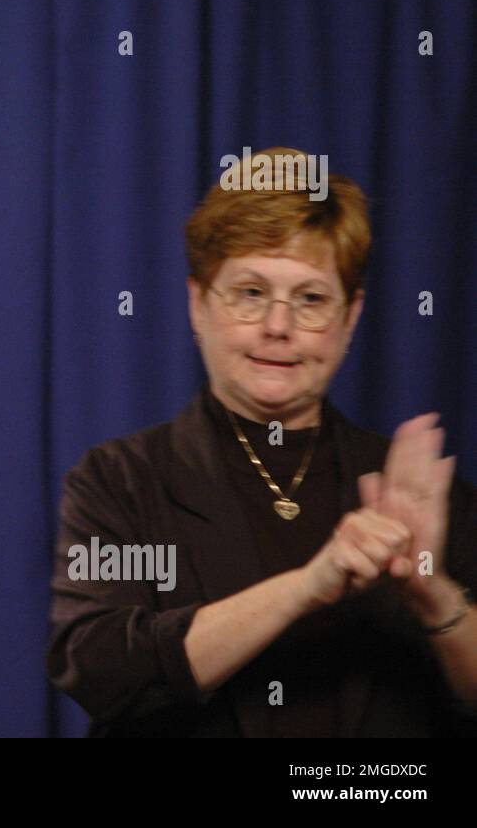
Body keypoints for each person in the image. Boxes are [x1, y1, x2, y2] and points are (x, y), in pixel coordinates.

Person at [48, 148, 477, 736]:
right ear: (198, 304)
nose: (278, 326)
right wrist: (306, 586)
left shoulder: (420, 490)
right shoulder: (119, 480)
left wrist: (432, 594)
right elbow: (99, 672)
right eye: (250, 292)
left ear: (350, 318)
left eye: (310, 299)